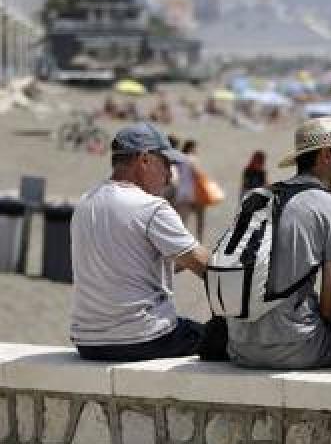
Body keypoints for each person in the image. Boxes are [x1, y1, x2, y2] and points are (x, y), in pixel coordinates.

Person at [69, 123, 225, 361]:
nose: (169, 176)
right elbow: (207, 268)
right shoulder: (150, 207)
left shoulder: (85, 202)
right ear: (144, 160)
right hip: (142, 338)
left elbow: (129, 264)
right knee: (226, 340)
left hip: (88, 342)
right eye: (166, 164)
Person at [227, 117, 331, 369]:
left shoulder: (256, 198)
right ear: (328, 155)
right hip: (297, 347)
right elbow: (330, 307)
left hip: (239, 345)